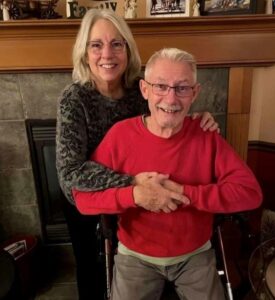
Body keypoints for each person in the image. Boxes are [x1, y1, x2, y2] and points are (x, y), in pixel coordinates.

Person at [73, 47, 263, 300]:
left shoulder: (206, 135)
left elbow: (250, 194)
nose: (171, 99)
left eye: (182, 88)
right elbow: (82, 199)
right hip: (135, 258)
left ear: (195, 93)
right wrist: (135, 196)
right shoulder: (120, 136)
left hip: (195, 255)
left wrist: (186, 193)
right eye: (160, 86)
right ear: (145, 90)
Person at [56, 9, 219, 300]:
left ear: (128, 50)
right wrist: (131, 183)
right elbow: (71, 172)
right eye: (97, 45)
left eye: (117, 43)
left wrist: (196, 118)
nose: (107, 53)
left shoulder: (139, 89)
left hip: (141, 192)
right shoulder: (74, 98)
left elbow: (165, 119)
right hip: (90, 196)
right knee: (91, 269)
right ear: (85, 52)